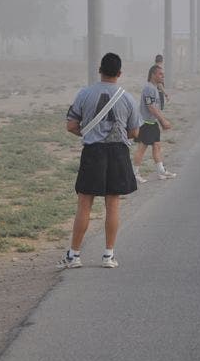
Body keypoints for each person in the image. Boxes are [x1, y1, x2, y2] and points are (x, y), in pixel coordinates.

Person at [59, 52, 141, 269]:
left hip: (93, 152)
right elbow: (134, 131)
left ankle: (74, 255)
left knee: (84, 203)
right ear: (120, 73)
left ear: (100, 70)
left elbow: (71, 125)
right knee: (112, 204)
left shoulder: (85, 93)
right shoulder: (128, 97)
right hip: (118, 153)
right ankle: (108, 255)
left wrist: (89, 134)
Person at [132, 65, 177, 183]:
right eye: (160, 74)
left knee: (157, 146)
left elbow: (155, 108)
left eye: (163, 74)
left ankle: (161, 170)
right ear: (153, 74)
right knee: (142, 148)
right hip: (145, 123)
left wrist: (159, 121)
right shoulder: (149, 88)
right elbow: (151, 107)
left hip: (152, 122)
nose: (163, 76)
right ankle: (134, 174)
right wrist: (163, 120)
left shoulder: (155, 87)